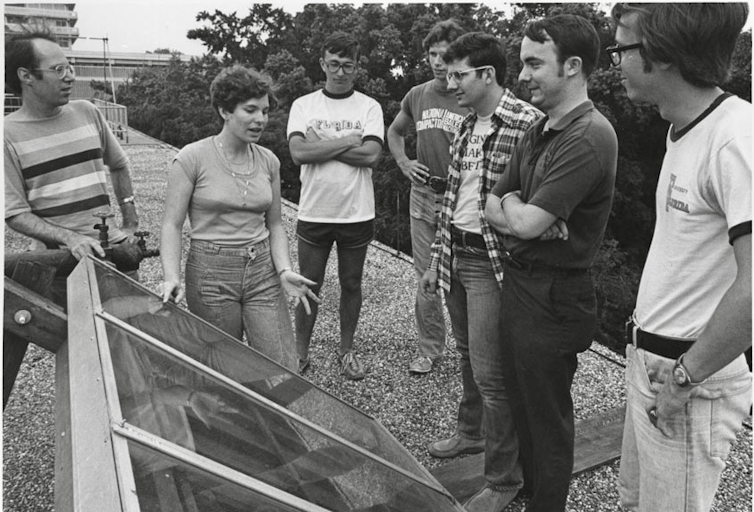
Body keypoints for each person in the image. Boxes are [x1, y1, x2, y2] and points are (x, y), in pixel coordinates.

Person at [608, 4, 752, 512]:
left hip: (687, 381)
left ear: (662, 53)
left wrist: (686, 376)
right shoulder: (681, 126)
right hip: (654, 364)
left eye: (621, 48)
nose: (615, 61)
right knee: (633, 503)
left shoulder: (735, 138)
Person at [484, 14, 617, 512]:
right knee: (522, 410)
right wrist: (522, 210)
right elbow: (492, 203)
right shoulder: (541, 128)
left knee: (547, 422)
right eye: (522, 62)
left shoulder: (587, 136)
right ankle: (534, 498)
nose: (521, 75)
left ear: (573, 67)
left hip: (555, 296)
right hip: (521, 286)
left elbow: (519, 222)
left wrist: (520, 212)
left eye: (534, 63)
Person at [420, 32, 542, 512]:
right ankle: (471, 436)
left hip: (494, 265)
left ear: (487, 75)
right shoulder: (467, 125)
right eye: (448, 74)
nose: (450, 84)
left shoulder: (527, 123)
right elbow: (454, 199)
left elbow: (536, 203)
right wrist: (435, 261)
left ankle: (503, 480)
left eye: (459, 74)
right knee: (471, 360)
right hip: (458, 257)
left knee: (493, 377)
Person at [161, 65, 319, 373]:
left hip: (262, 270)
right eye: (250, 110)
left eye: (264, 110)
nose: (260, 119)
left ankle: (278, 422)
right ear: (224, 110)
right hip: (211, 272)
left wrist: (285, 269)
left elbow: (274, 225)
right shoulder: (191, 158)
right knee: (222, 368)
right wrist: (171, 277)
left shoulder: (268, 161)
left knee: (283, 367)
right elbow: (172, 224)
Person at [4, 31, 140, 307]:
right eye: (58, 69)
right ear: (25, 76)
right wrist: (70, 238)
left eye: (70, 68)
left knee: (134, 337)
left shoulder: (88, 112)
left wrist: (130, 222)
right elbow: (15, 213)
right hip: (58, 264)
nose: (70, 76)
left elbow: (120, 165)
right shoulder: (7, 135)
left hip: (116, 252)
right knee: (75, 345)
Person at [287, 32, 384, 380]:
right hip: (314, 211)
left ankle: (346, 350)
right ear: (322, 65)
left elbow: (371, 156)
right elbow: (298, 153)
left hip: (356, 212)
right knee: (307, 285)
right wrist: (346, 142)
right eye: (333, 64)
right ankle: (299, 353)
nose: (339, 72)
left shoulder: (369, 107)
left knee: (352, 284)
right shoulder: (304, 105)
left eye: (347, 65)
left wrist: (322, 144)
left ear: (357, 68)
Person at [387, 19, 469, 375]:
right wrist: (404, 162)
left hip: (460, 198)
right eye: (432, 54)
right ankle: (430, 349)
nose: (438, 62)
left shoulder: (470, 95)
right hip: (423, 194)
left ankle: (470, 350)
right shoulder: (418, 94)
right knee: (426, 276)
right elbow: (394, 131)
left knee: (462, 276)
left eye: (445, 55)